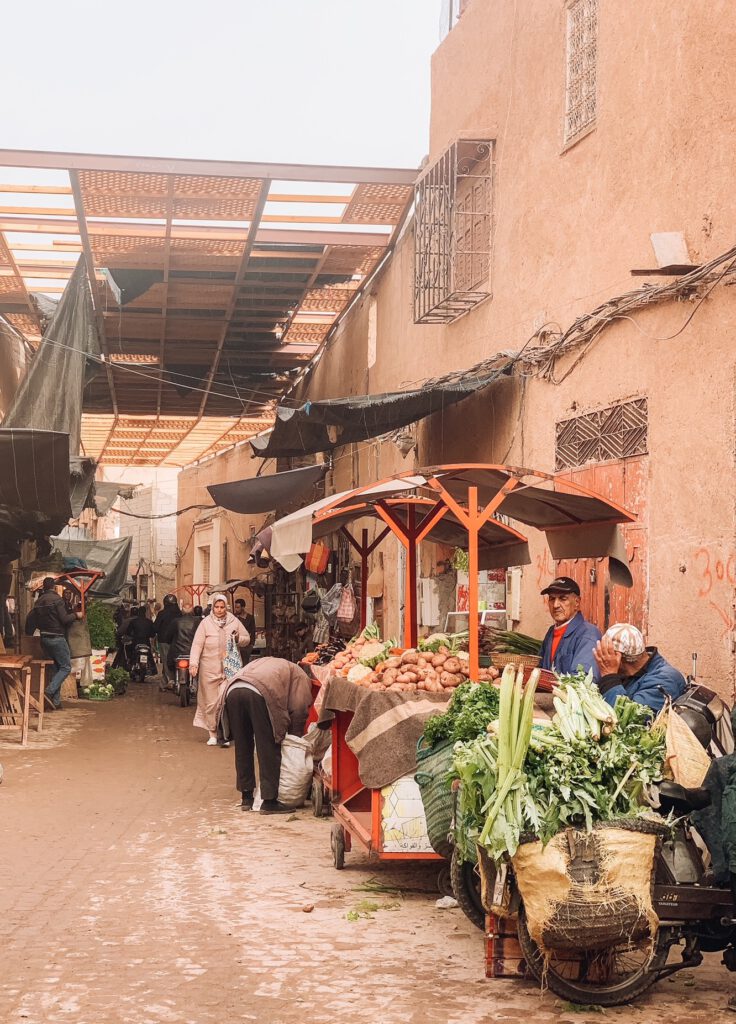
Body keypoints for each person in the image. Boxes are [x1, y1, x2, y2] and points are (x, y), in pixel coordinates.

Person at [217, 657, 313, 813]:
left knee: (243, 746)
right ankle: (269, 801)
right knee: (268, 746)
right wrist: (294, 738)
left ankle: (246, 797)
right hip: (259, 693)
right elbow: (299, 707)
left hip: (233, 690)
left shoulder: (272, 663)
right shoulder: (300, 675)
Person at [189, 594, 250, 745]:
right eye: (217, 607)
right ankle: (213, 733)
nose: (219, 610)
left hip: (230, 669)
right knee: (211, 703)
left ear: (226, 607)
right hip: (209, 669)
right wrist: (194, 664)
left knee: (226, 700)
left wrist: (237, 639)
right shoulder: (205, 623)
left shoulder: (234, 621)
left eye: (222, 607)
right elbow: (197, 645)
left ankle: (227, 735)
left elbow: (246, 638)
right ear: (213, 607)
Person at [593, 623, 687, 714]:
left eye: (605, 657)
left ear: (619, 660)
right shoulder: (630, 674)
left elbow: (628, 721)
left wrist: (609, 677)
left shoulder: (665, 680)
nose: (602, 662)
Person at [25, 577, 82, 709]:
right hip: (57, 637)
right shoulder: (57, 600)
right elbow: (64, 619)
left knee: (56, 669)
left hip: (44, 638)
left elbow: (32, 621)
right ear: (54, 587)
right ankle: (49, 691)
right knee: (66, 667)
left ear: (44, 587)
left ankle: (56, 703)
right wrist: (76, 615)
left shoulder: (38, 602)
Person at [539, 576, 601, 677]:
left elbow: (581, 680)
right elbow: (540, 669)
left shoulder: (588, 634)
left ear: (577, 602)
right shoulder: (551, 632)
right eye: (552, 599)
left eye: (563, 599)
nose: (555, 605)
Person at [153, 594, 181, 687]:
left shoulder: (162, 614)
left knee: (166, 661)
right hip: (177, 641)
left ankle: (170, 681)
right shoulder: (179, 613)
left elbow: (155, 627)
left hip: (164, 641)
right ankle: (164, 683)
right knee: (174, 661)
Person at [165, 601, 200, 674]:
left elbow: (168, 636)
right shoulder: (198, 621)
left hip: (177, 652)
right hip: (193, 651)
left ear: (182, 611)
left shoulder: (175, 621)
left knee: (172, 667)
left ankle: (172, 679)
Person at [124, 606, 157, 674]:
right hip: (146, 642)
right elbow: (153, 633)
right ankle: (153, 669)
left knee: (131, 653)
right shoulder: (149, 622)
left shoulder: (134, 621)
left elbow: (128, 631)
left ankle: (130, 666)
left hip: (136, 641)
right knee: (149, 655)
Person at [234, 598, 256, 664]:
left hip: (246, 646)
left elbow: (253, 631)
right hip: (236, 645)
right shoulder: (234, 617)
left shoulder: (250, 618)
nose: (236, 609)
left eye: (238, 607)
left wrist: (251, 644)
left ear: (243, 607)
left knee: (245, 664)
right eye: (235, 607)